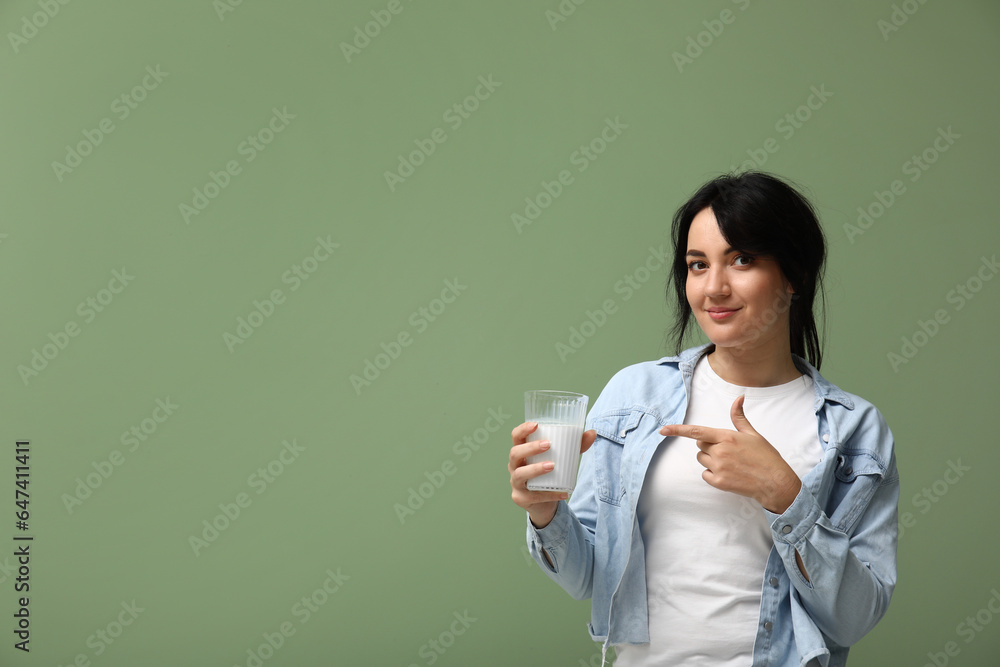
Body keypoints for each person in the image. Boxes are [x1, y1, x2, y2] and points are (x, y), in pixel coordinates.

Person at [508, 171, 899, 667]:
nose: (714, 287)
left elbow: (855, 619)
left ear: (793, 274)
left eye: (742, 259)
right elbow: (588, 577)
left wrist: (785, 495)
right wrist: (544, 512)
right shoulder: (633, 396)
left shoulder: (855, 431)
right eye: (697, 265)